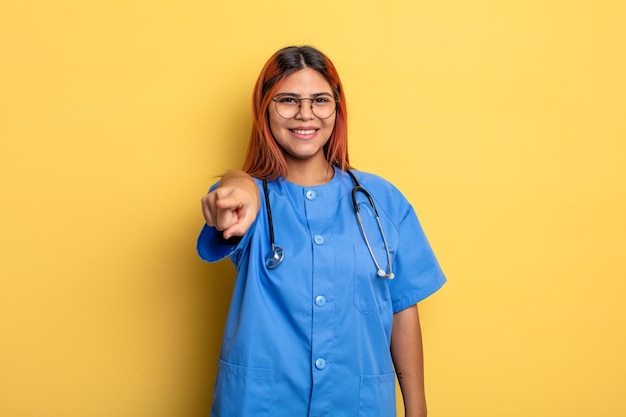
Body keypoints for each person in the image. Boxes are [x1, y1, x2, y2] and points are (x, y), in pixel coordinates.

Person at [197, 45, 446, 417]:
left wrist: (418, 409)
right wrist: (238, 184)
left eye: (319, 100)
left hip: (357, 405)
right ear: (264, 108)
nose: (305, 114)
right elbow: (232, 192)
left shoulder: (382, 201)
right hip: (260, 405)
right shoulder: (246, 202)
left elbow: (402, 308)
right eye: (287, 100)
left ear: (337, 108)